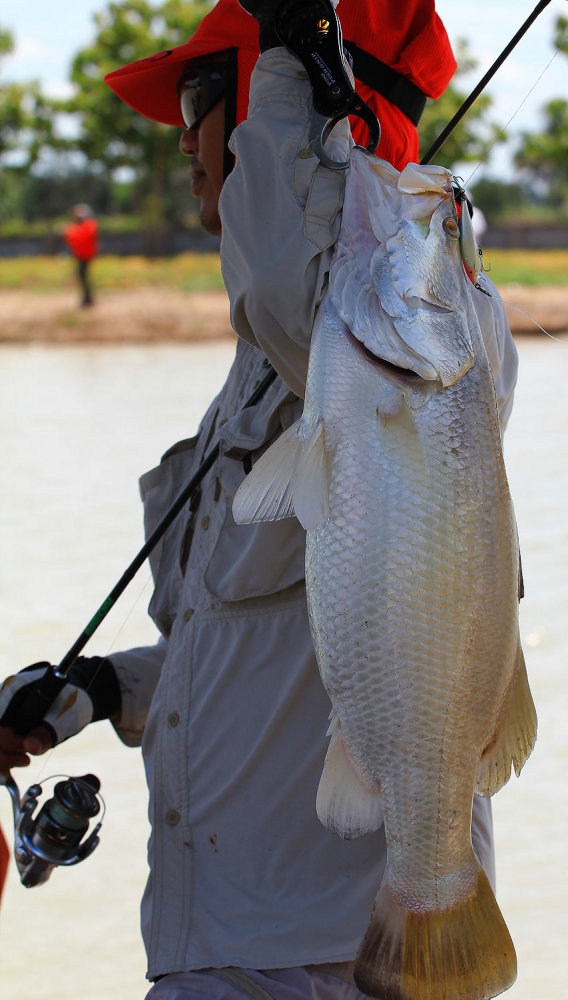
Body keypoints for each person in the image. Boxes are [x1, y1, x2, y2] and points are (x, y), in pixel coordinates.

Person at [0, 2, 520, 998]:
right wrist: (105, 689)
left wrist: (287, 73)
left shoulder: (412, 320)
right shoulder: (295, 356)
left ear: (270, 111)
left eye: (199, 100)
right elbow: (266, 645)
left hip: (318, 956)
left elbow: (286, 258)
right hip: (226, 936)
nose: (182, 137)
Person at [63, 203, 99, 307]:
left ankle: (88, 299)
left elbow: (80, 239)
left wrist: (68, 232)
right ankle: (87, 299)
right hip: (81, 255)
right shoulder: (84, 226)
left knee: (83, 277)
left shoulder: (89, 225)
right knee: (82, 277)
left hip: (85, 255)